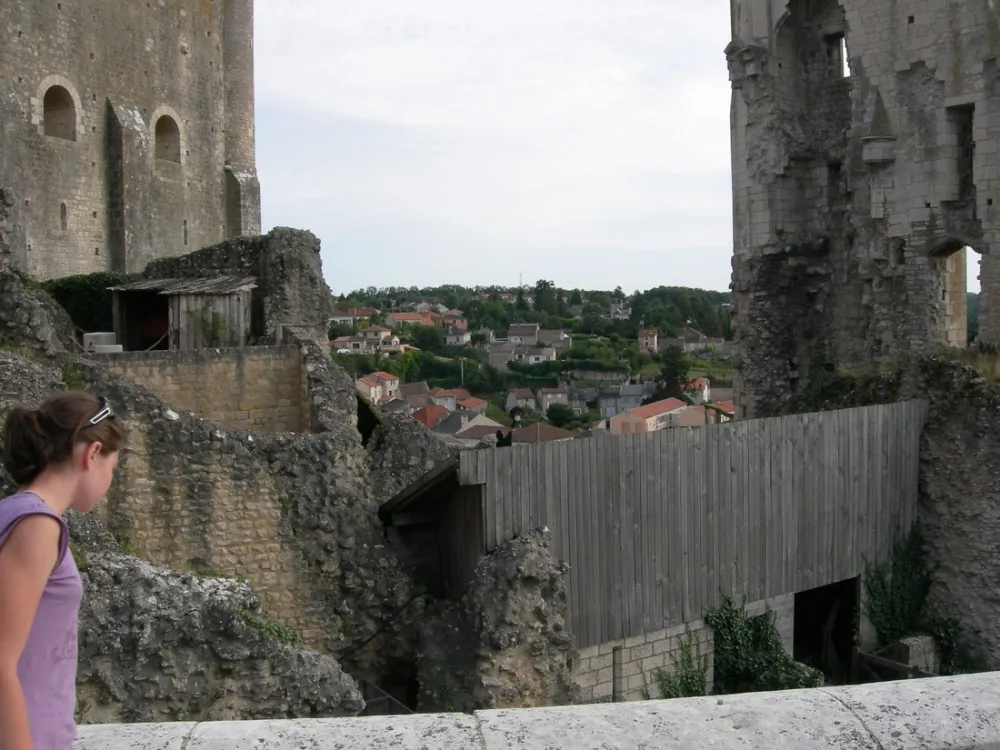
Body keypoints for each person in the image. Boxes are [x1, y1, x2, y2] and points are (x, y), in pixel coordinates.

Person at [0, 392, 126, 750]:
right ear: (92, 454)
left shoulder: (14, 512)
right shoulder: (37, 525)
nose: (110, 480)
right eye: (113, 468)